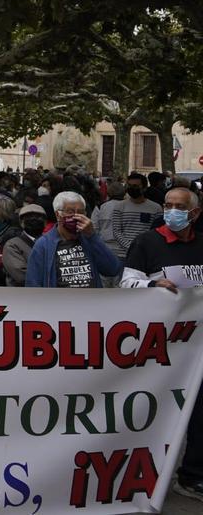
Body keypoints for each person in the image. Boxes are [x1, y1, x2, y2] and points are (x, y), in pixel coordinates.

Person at [114, 188, 203, 498]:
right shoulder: (147, 242)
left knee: (200, 412)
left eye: (180, 207)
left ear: (194, 214)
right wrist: (152, 283)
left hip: (197, 346)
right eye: (168, 205)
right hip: (159, 346)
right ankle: (141, 474)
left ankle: (191, 474)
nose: (172, 211)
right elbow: (126, 283)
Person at [25, 190, 122, 288]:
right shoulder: (44, 245)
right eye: (70, 212)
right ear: (58, 215)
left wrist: (92, 236)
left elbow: (113, 269)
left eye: (80, 212)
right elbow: (33, 284)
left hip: (91, 301)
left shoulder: (89, 240)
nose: (76, 216)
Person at [113, 172, 163, 262]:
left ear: (144, 188)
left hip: (146, 254)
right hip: (123, 255)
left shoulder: (156, 208)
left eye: (136, 186)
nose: (132, 188)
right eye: (129, 185)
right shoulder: (119, 206)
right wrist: (131, 248)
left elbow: (157, 231)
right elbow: (116, 231)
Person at [2, 204, 47, 286]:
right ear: (21, 222)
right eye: (29, 217)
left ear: (45, 222)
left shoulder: (52, 242)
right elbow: (22, 276)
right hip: (21, 295)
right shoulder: (12, 245)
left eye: (38, 217)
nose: (34, 219)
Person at [91, 180, 129, 268]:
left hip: (105, 248)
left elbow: (94, 229)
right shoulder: (130, 207)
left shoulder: (100, 207)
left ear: (109, 192)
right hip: (124, 251)